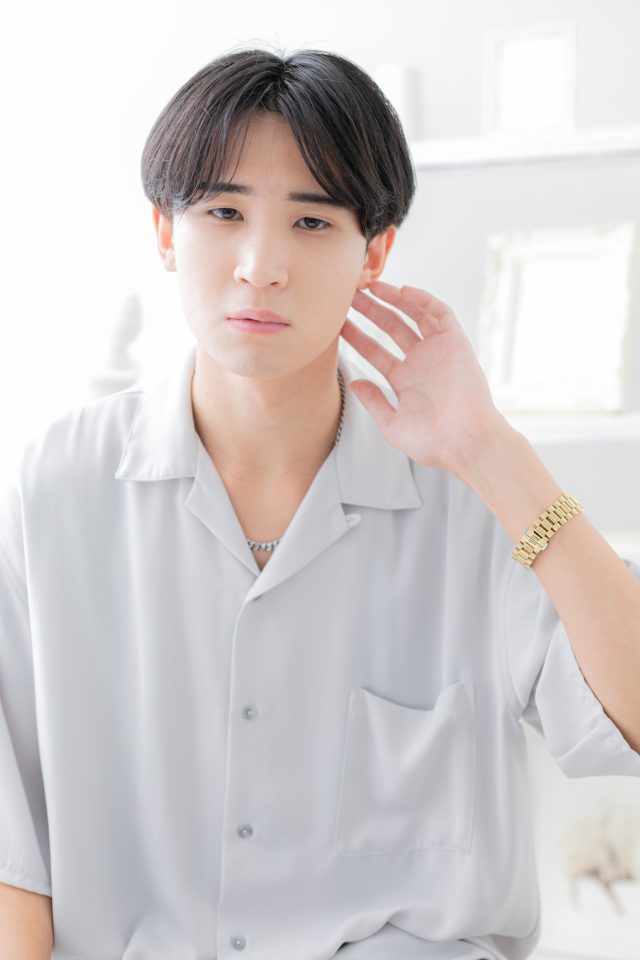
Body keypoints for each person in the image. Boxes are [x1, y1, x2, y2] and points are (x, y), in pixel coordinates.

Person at [1, 43, 640, 960]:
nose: (261, 265)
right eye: (224, 212)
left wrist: (492, 452)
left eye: (310, 221)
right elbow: (13, 863)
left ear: (374, 252)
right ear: (166, 232)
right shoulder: (55, 489)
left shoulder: (469, 494)